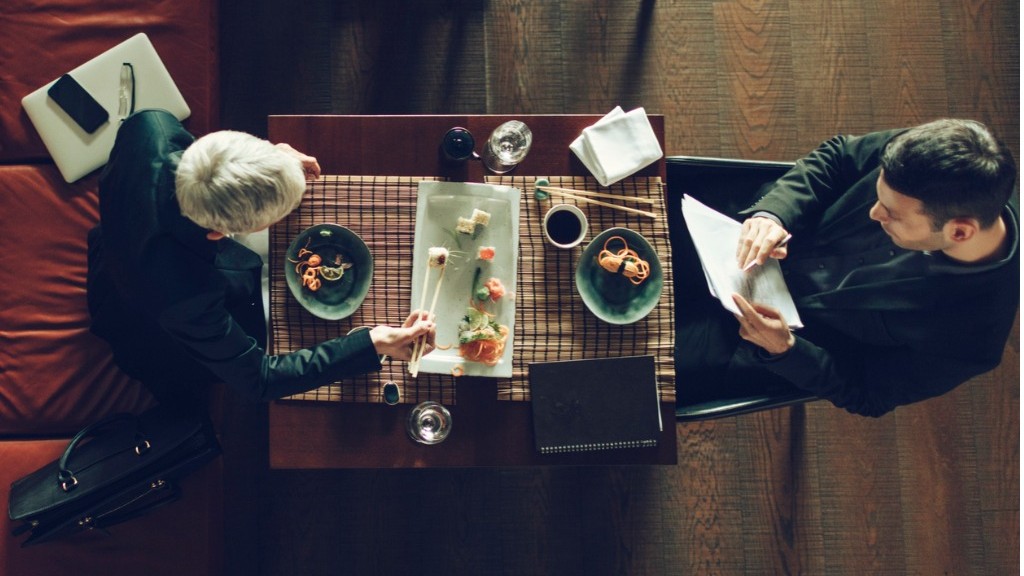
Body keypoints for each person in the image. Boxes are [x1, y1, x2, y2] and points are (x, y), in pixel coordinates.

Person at [87, 109, 436, 409]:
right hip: (148, 324)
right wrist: (372, 342)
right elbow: (260, 380)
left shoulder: (150, 126)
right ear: (218, 234)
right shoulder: (187, 298)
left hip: (122, 226)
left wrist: (270, 157)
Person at [677, 119, 1018, 417]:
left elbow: (869, 392)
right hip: (731, 231)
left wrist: (785, 348)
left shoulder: (974, 337)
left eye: (891, 213)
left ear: (959, 232)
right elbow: (838, 157)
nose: (874, 213)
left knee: (637, 367)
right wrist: (773, 215)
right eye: (878, 196)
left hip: (746, 339)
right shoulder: (932, 158)